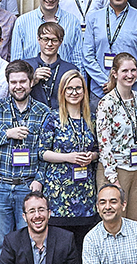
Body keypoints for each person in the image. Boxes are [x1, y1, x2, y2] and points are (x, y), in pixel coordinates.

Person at [0, 60, 55, 261]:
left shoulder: (43, 112)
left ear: (31, 82)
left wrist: (39, 180)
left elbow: (46, 151)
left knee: (29, 246)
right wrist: (7, 134)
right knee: (0, 248)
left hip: (27, 187)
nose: (18, 86)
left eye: (23, 81)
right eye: (14, 82)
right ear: (8, 83)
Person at [38, 69, 101, 234]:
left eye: (78, 88)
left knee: (82, 243)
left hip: (85, 193)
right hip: (59, 194)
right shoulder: (52, 118)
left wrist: (92, 156)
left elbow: (98, 150)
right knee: (60, 247)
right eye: (70, 88)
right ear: (62, 91)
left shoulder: (91, 119)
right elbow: (43, 152)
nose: (74, 92)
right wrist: (69, 157)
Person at [94, 52, 137, 222]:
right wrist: (113, 180)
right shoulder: (107, 103)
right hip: (116, 170)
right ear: (115, 73)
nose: (130, 75)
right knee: (114, 222)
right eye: (125, 71)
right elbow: (104, 144)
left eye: (133, 70)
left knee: (135, 221)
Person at [13, 0, 84, 77]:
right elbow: (16, 63)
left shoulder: (73, 22)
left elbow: (78, 61)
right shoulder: (22, 22)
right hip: (32, 86)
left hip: (64, 86)